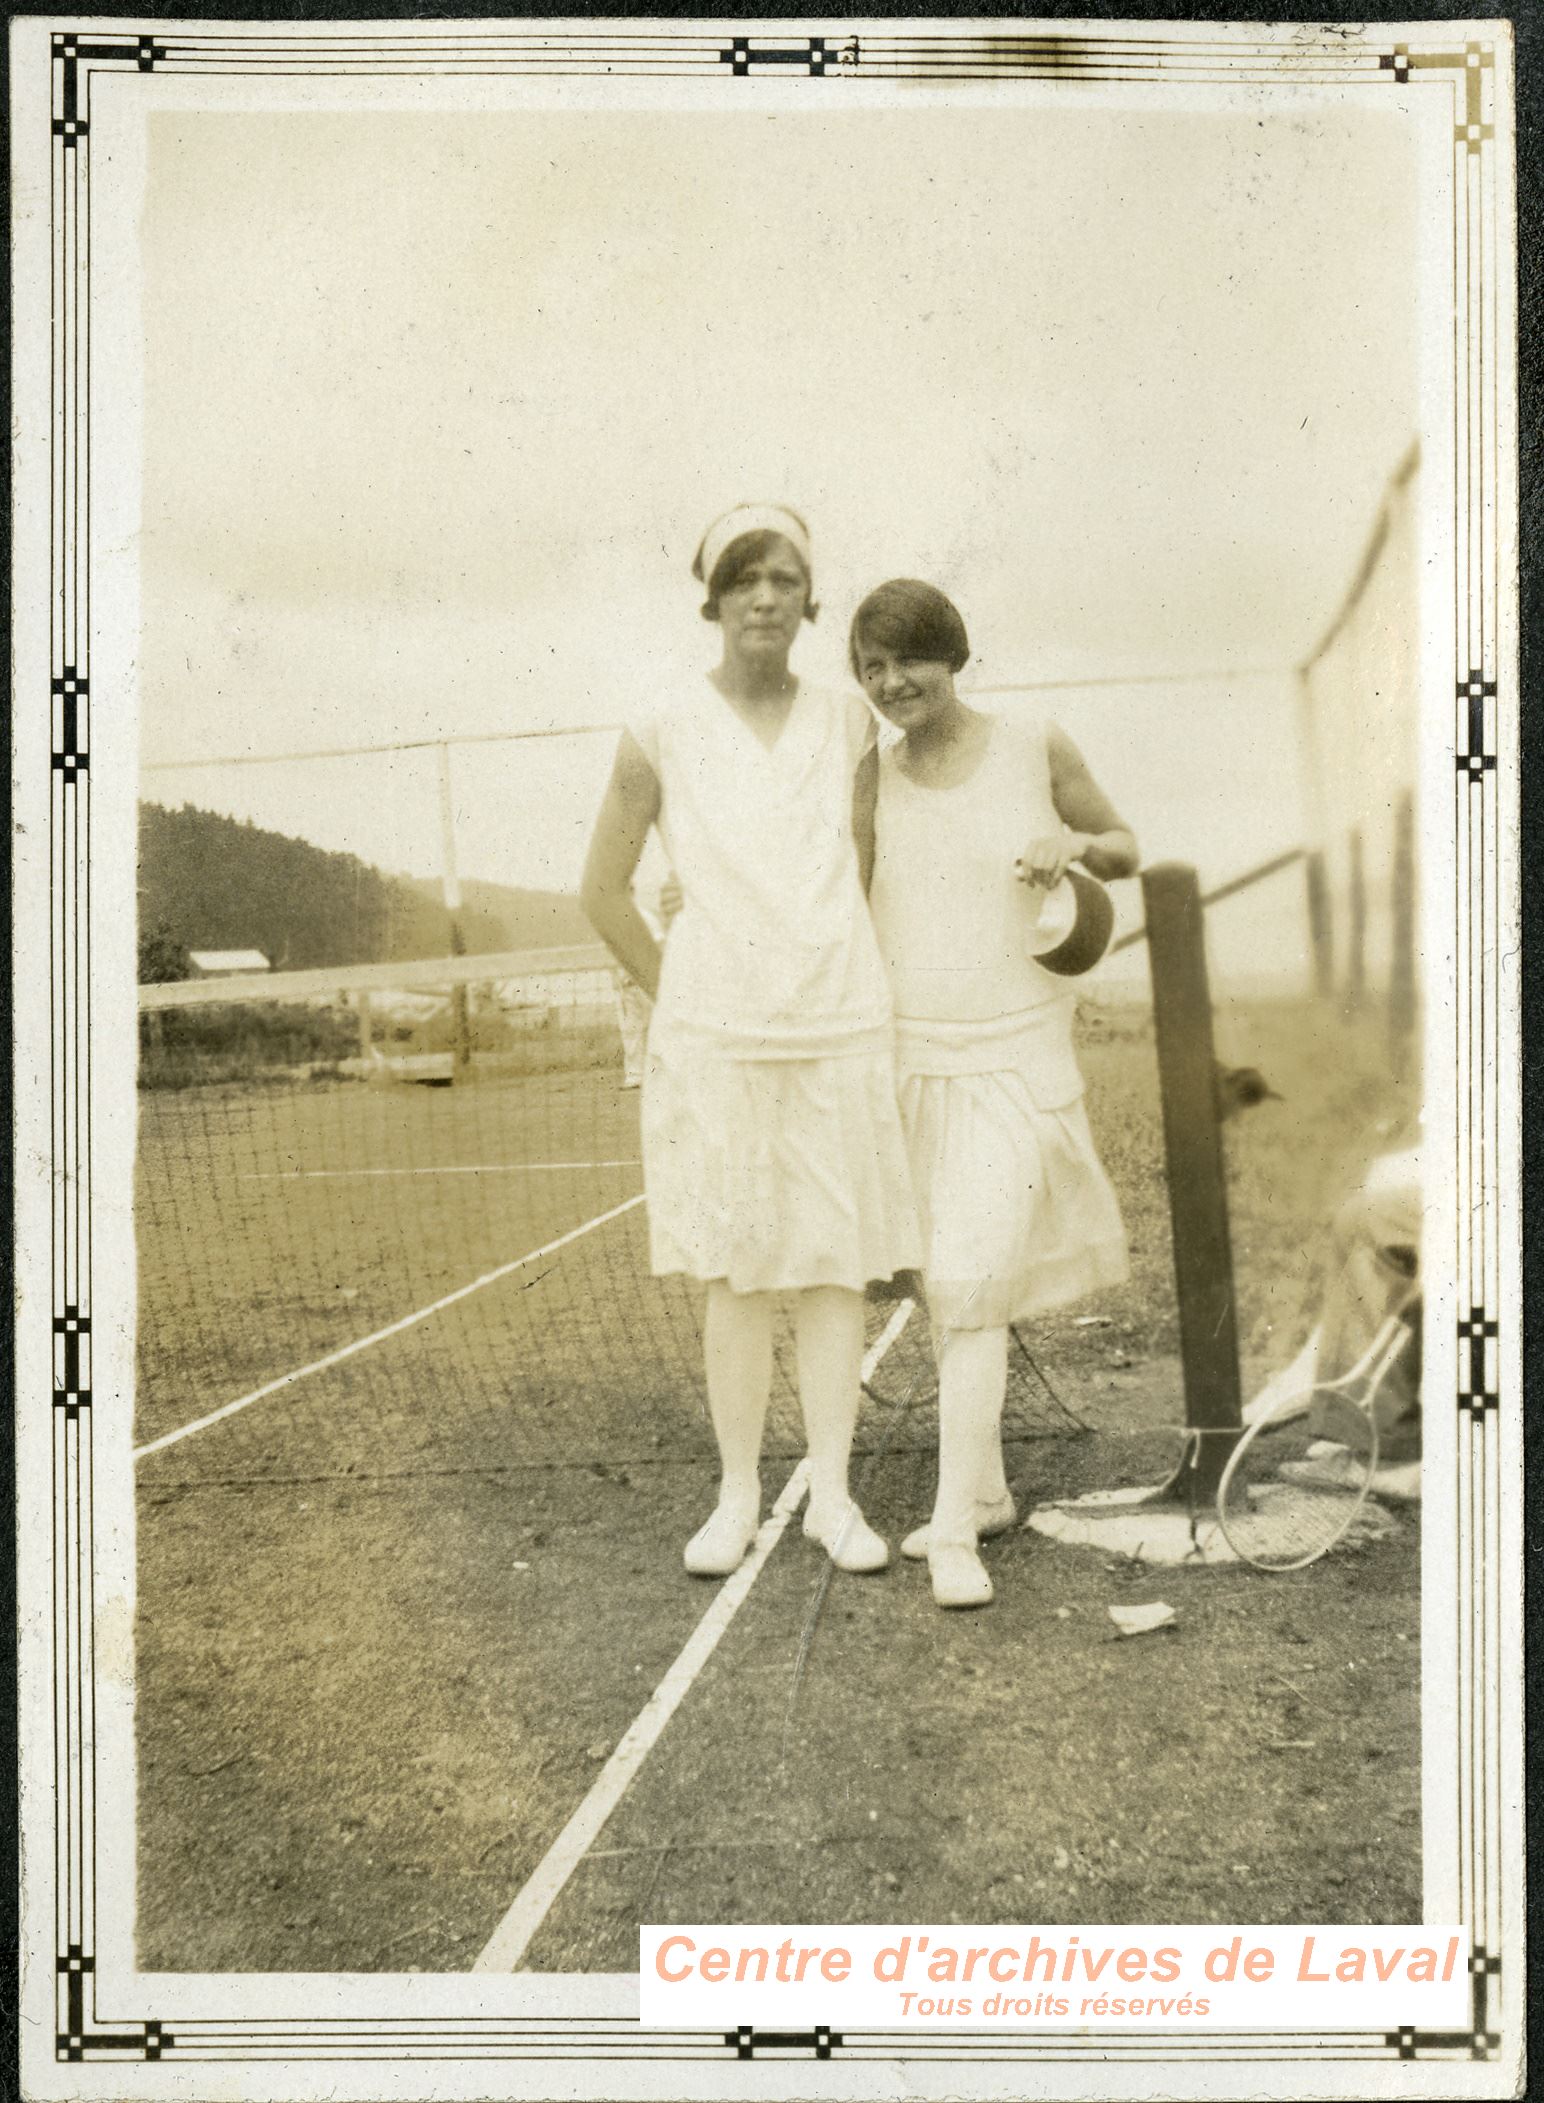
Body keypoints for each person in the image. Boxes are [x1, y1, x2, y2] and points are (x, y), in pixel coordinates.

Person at [581, 507, 920, 1578]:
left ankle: (832, 1493)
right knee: (734, 1273)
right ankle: (735, 1497)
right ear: (714, 599)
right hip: (716, 1040)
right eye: (743, 580)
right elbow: (599, 889)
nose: (764, 597)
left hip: (835, 1027)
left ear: (807, 598)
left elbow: (861, 869)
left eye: (783, 579)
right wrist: (677, 990)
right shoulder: (660, 725)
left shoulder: (851, 725)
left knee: (831, 1271)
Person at [854, 579, 1139, 1608]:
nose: (892, 685)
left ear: (952, 653)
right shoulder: (867, 777)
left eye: (908, 660)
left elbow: (1123, 847)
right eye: (871, 669)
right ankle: (984, 1493)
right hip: (905, 1058)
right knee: (947, 1287)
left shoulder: (1031, 743)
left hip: (1014, 1056)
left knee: (973, 1278)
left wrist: (1074, 844)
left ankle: (945, 1539)